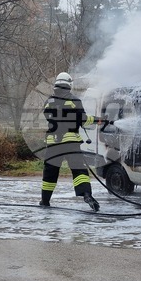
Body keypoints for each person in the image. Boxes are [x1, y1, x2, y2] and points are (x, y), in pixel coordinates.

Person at [41, 72, 101, 212]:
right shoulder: (75, 101)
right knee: (79, 170)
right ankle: (86, 195)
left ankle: (45, 201)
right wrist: (98, 119)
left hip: (53, 143)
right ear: (69, 85)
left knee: (50, 172)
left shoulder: (49, 101)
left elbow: (48, 116)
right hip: (71, 143)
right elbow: (84, 120)